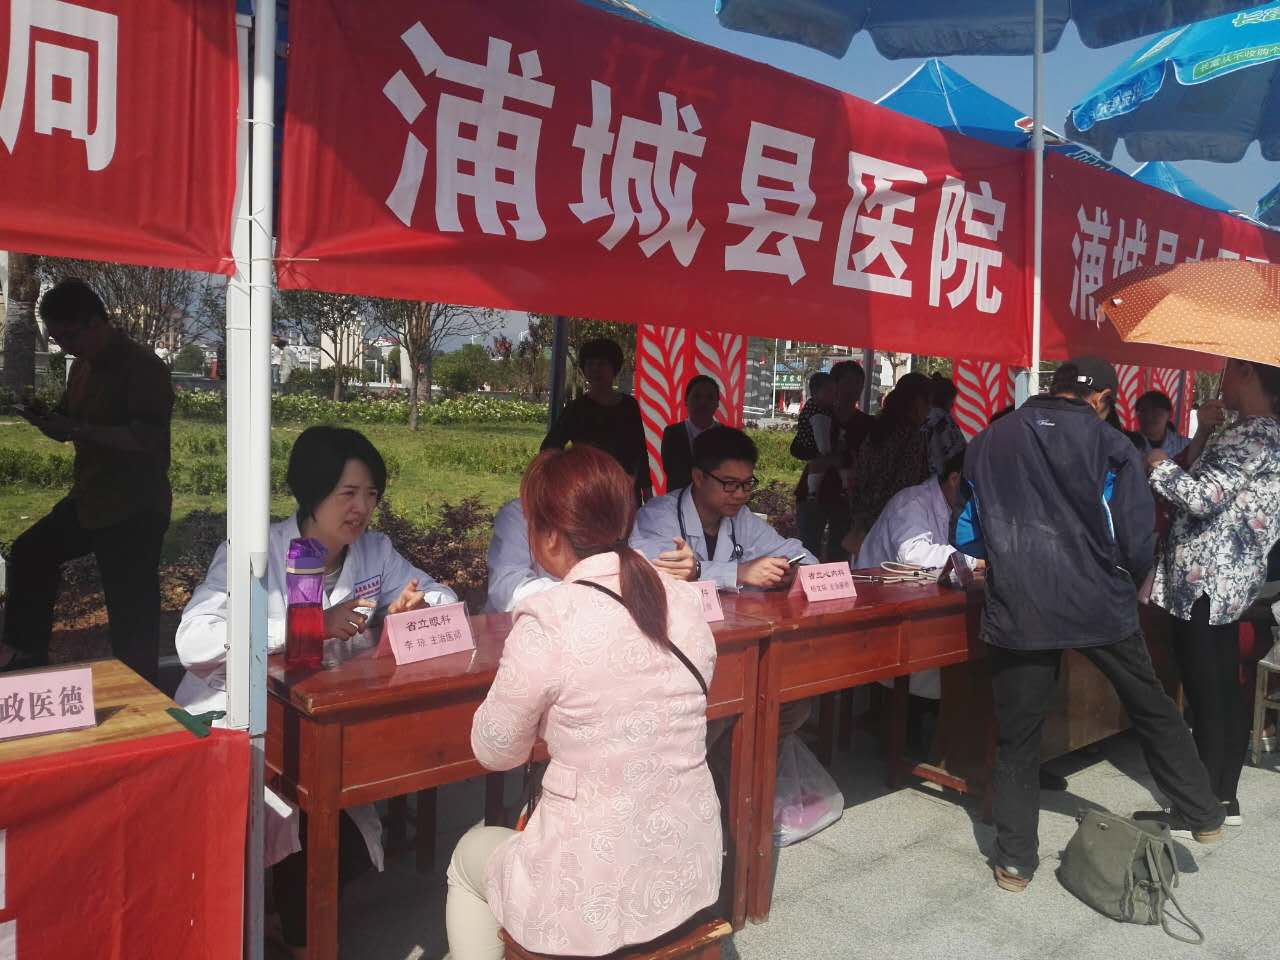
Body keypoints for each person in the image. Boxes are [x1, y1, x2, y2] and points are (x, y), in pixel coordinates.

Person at [175, 425, 456, 955]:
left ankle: (286, 923)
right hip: (237, 724)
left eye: (371, 494)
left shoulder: (374, 552)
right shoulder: (254, 551)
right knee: (295, 828)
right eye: (348, 493)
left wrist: (414, 608)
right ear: (312, 491)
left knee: (340, 839)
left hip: (320, 725)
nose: (362, 508)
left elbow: (442, 596)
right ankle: (295, 934)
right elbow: (195, 640)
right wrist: (307, 627)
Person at [952, 357, 1225, 893]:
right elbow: (1136, 538)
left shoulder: (988, 440)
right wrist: (1123, 576)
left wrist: (1007, 559)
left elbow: (966, 530)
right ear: (1101, 398)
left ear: (1052, 388)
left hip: (1021, 603)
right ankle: (1203, 813)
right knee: (1150, 705)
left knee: (1019, 736)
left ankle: (1015, 863)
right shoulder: (1113, 445)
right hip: (1099, 601)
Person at [445, 445, 720, 959]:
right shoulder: (685, 598)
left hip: (587, 894)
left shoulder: (548, 618)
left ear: (548, 537)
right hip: (690, 870)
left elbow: (494, 750)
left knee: (468, 857)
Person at [1, 279, 173, 682]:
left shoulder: (143, 367)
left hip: (135, 507)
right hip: (91, 499)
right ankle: (26, 657)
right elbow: (67, 426)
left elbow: (146, 437)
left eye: (68, 336)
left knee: (131, 613)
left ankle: (142, 690)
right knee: (29, 553)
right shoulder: (80, 368)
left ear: (96, 322)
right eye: (56, 338)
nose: (64, 347)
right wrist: (45, 420)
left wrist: (78, 429)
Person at [1146, 358, 1280, 829]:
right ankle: (1222, 799)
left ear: (1247, 373)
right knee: (1222, 687)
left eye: (1227, 370)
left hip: (1207, 580)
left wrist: (1158, 465)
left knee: (1208, 693)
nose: (1221, 380)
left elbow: (1202, 497)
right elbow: (1208, 482)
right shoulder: (1257, 433)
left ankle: (1200, 808)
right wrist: (1203, 432)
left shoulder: (1252, 435)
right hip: (1227, 582)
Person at [632, 426, 817, 590]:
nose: (740, 494)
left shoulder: (742, 517)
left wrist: (793, 571)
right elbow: (653, 573)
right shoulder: (657, 516)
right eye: (730, 483)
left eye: (747, 483)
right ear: (699, 477)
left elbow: (802, 556)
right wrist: (738, 573)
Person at [857, 452, 973, 702]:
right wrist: (975, 561)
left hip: (924, 606)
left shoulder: (956, 508)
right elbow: (914, 556)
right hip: (882, 613)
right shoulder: (912, 501)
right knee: (950, 655)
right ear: (955, 479)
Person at [541, 337, 651, 502]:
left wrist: (647, 492)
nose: (595, 369)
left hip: (625, 492)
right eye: (590, 364)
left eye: (602, 364)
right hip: (590, 492)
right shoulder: (576, 408)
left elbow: (640, 451)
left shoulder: (629, 406)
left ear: (614, 368)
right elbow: (549, 448)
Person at [797, 360, 872, 562]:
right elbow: (801, 449)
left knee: (839, 555)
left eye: (859, 383)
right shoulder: (818, 415)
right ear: (834, 385)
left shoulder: (867, 423)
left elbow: (868, 460)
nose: (855, 389)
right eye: (849, 382)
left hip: (847, 498)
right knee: (806, 552)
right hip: (813, 494)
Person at [850, 372, 933, 535]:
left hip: (864, 514)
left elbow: (862, 473)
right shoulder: (912, 435)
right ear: (918, 401)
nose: (929, 409)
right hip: (893, 520)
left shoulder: (878, 426)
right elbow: (907, 483)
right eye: (928, 403)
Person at [660, 374, 721, 492]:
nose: (703, 402)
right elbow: (672, 472)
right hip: (679, 498)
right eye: (697, 396)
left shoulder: (727, 436)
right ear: (686, 400)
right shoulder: (672, 433)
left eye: (710, 397)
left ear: (717, 403)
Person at [923, 373, 967, 476]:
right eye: (952, 400)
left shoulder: (924, 419)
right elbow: (958, 453)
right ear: (947, 399)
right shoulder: (945, 421)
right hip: (940, 479)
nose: (952, 404)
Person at [1134, 390, 1191, 459]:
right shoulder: (1128, 444)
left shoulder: (1186, 446)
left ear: (1169, 414)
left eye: (1155, 411)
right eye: (1143, 411)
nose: (1149, 416)